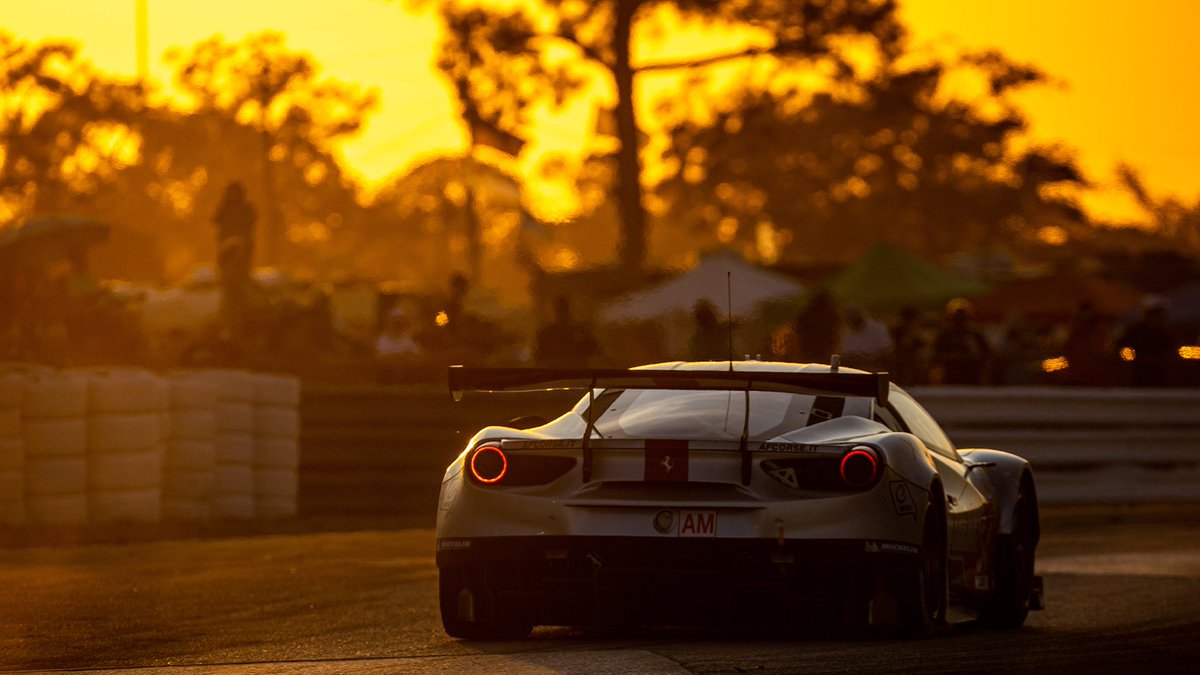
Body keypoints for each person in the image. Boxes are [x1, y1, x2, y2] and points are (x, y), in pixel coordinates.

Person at [213, 181, 256, 341]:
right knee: (229, 298)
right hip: (228, 259)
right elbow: (216, 221)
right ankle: (229, 331)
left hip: (241, 259)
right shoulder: (224, 209)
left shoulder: (246, 209)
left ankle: (237, 331)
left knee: (240, 296)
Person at [1115, 297, 1178, 386]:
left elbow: (1171, 350)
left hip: (1159, 372)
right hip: (1138, 371)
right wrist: (1131, 358)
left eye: (1159, 313)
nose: (1157, 317)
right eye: (1154, 313)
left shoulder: (1164, 333)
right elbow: (1120, 346)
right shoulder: (1135, 331)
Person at [931, 299, 992, 385]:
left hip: (972, 374)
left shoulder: (975, 334)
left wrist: (971, 356)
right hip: (950, 374)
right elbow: (936, 355)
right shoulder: (945, 334)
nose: (959, 320)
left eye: (962, 317)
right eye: (957, 317)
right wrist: (951, 356)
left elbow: (986, 354)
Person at [533, 295, 602, 368]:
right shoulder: (544, 334)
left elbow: (596, 354)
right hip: (553, 376)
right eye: (557, 310)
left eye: (563, 309)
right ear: (551, 312)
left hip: (579, 376)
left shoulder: (581, 331)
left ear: (568, 310)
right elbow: (539, 361)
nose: (561, 313)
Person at [839, 304, 892, 371]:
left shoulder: (877, 329)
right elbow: (844, 353)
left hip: (875, 366)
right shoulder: (845, 332)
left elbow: (887, 350)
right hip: (853, 367)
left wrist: (870, 358)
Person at [793, 290, 840, 364]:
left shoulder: (806, 315)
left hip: (808, 350)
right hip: (822, 350)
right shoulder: (830, 315)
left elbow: (798, 329)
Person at [889, 306, 928, 385]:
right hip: (900, 364)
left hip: (913, 365)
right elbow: (903, 345)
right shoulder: (896, 331)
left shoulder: (917, 332)